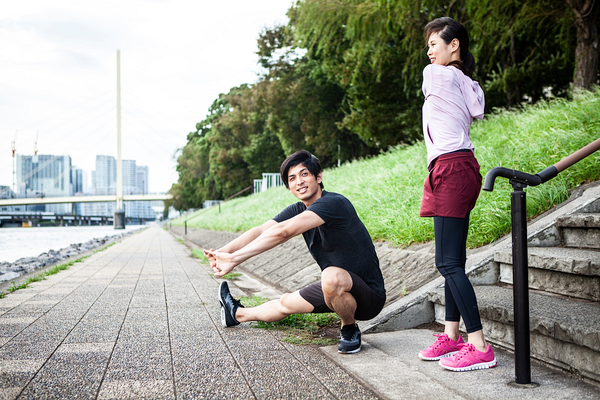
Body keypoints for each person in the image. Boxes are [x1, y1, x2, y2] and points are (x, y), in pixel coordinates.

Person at [204, 150, 386, 354]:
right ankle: (236, 314)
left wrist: (235, 259)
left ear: (319, 177)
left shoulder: (334, 203)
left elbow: (283, 231)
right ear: (289, 187)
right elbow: (262, 230)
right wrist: (222, 251)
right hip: (333, 291)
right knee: (285, 303)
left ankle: (349, 329)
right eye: (292, 178)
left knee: (331, 275)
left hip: (369, 297)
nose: (299, 181)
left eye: (304, 174)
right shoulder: (298, 209)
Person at [417, 17, 497, 371]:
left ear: (455, 46)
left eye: (435, 43)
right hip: (458, 167)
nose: (429, 50)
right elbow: (477, 109)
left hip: (451, 167)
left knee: (447, 263)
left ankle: (478, 345)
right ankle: (451, 335)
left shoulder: (436, 74)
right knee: (454, 260)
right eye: (429, 45)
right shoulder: (467, 82)